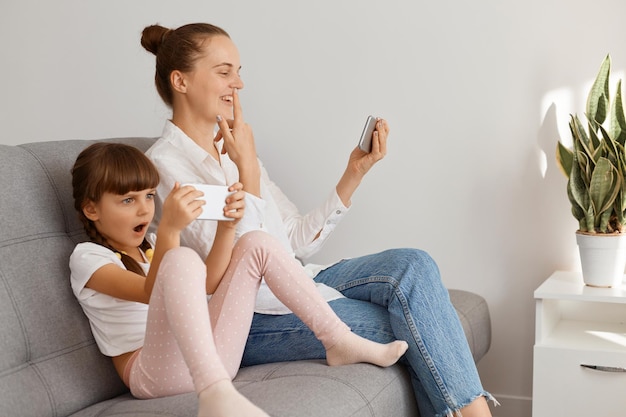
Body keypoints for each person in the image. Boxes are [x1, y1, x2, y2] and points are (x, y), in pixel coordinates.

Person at [142, 22, 497, 417]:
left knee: (415, 265)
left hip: (298, 282)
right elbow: (233, 266)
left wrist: (353, 174)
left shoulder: (236, 148)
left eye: (239, 72)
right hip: (251, 317)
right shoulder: (166, 165)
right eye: (224, 72)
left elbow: (293, 241)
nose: (238, 85)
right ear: (181, 81)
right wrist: (248, 171)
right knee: (414, 322)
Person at [68, 142, 408, 417]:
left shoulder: (155, 248)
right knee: (182, 258)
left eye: (147, 196)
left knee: (256, 243)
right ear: (91, 209)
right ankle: (214, 393)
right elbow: (148, 291)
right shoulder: (88, 258)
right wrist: (171, 229)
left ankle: (338, 341)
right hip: (153, 374)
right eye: (127, 200)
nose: (144, 209)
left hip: (210, 356)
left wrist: (227, 227)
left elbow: (209, 287)